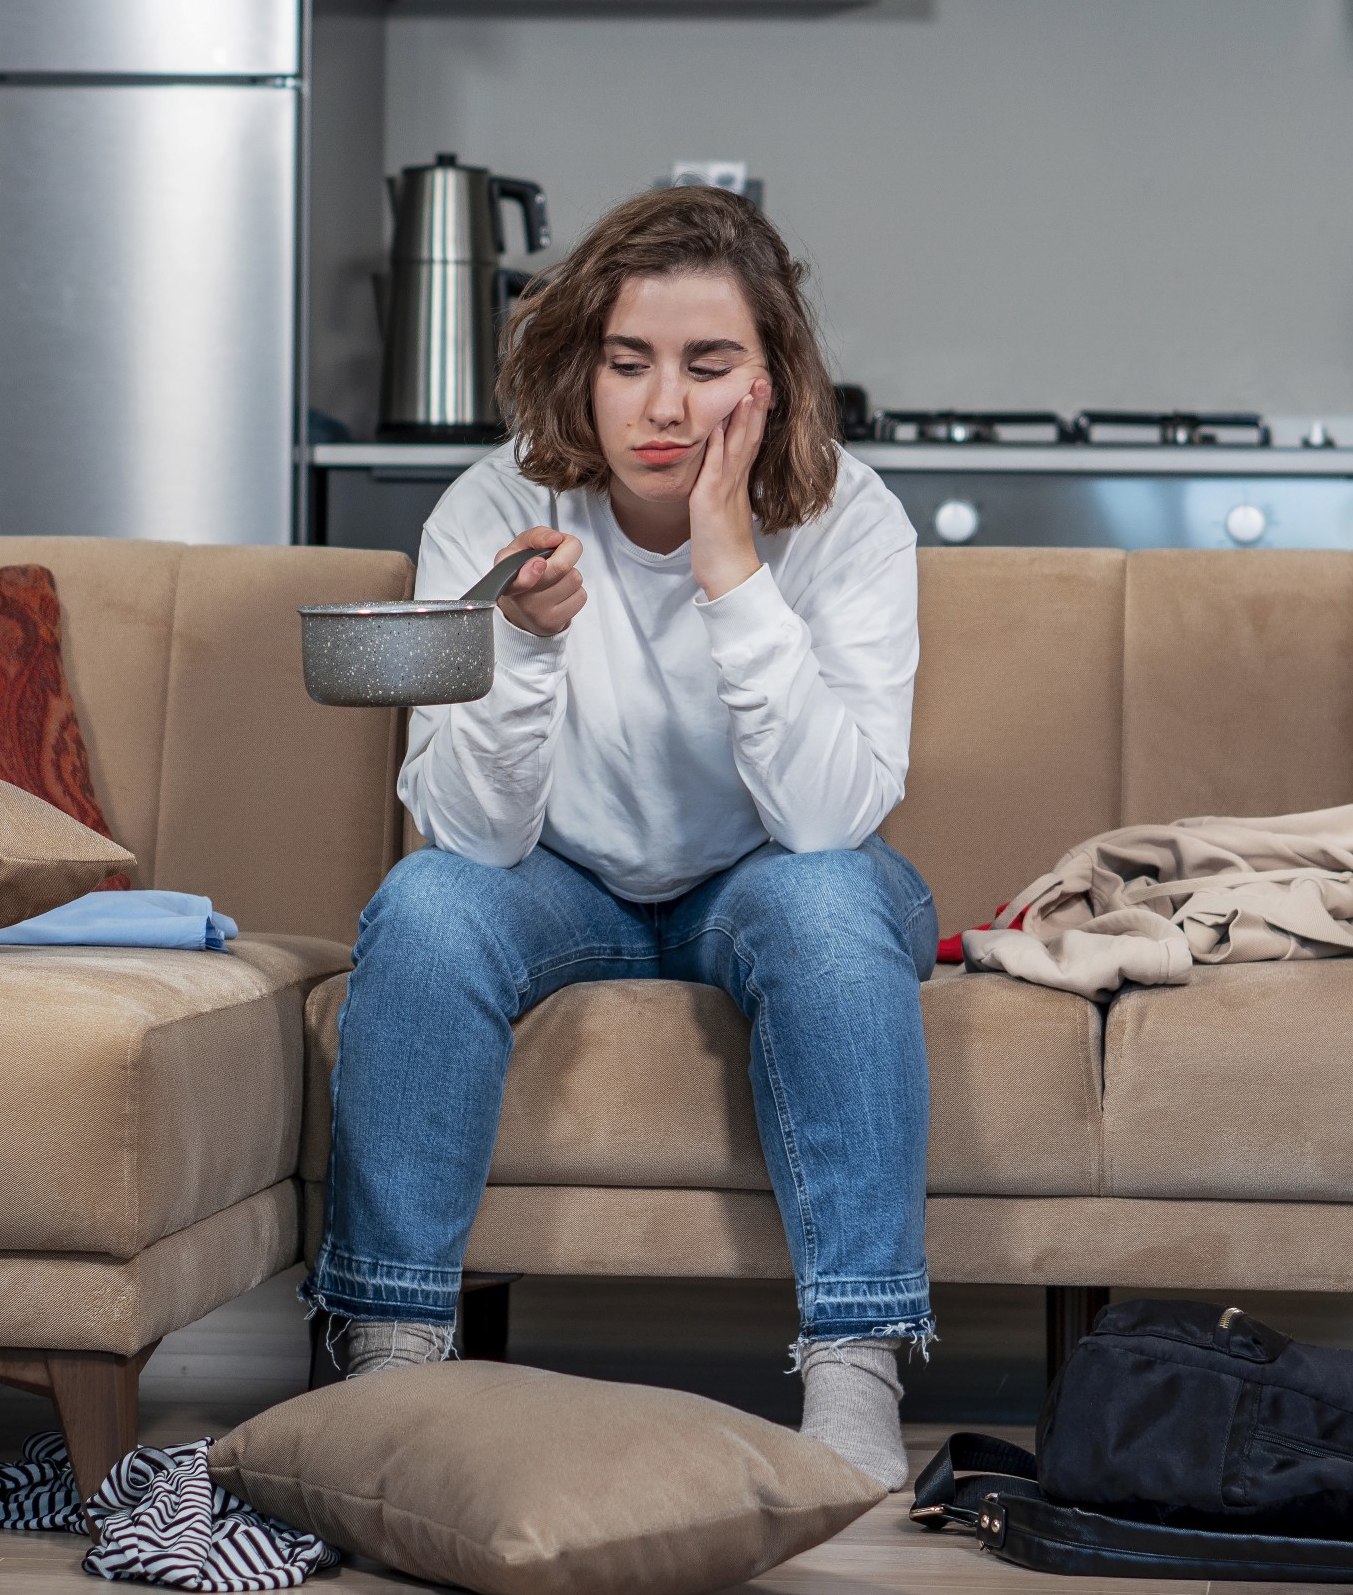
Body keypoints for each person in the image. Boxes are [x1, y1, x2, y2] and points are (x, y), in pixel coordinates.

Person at [305, 185, 934, 1489]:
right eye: (630, 362)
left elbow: (828, 819)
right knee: (421, 905)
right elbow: (470, 835)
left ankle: (857, 1365)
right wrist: (528, 651)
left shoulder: (852, 521)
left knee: (827, 897)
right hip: (558, 881)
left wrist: (729, 567)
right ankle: (390, 1349)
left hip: (761, 880)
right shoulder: (491, 509)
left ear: (774, 381)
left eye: (709, 366)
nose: (663, 405)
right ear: (581, 368)